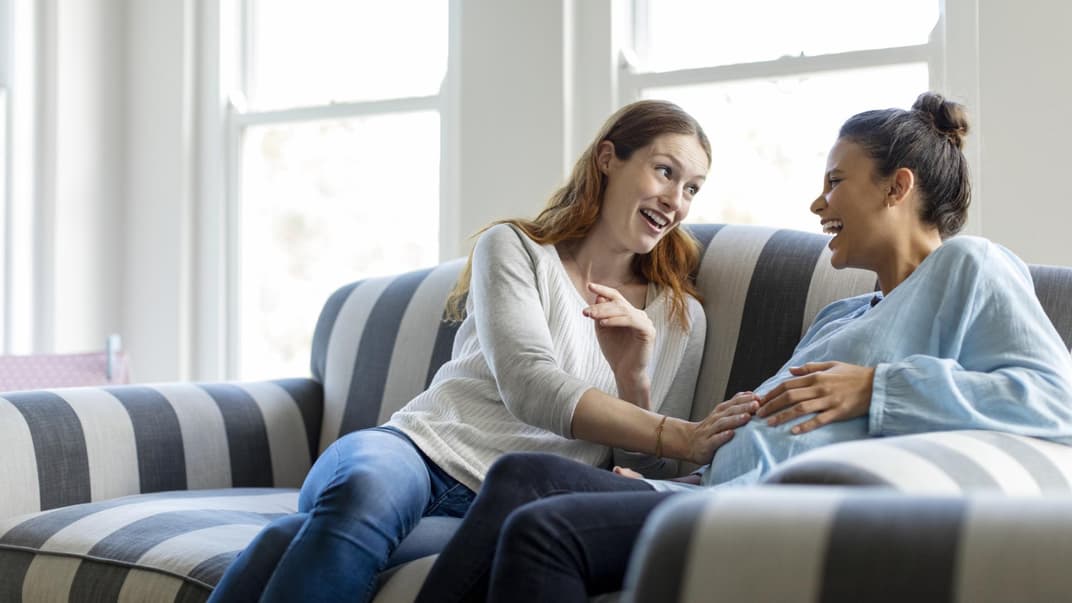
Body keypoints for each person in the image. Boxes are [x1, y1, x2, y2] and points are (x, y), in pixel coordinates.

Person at [414, 92, 1072, 603]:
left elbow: (1056, 401)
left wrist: (877, 388)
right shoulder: (842, 315)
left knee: (545, 532)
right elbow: (767, 439)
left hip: (761, 507)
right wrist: (672, 475)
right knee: (521, 476)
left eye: (836, 181)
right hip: (707, 490)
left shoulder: (969, 267)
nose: (818, 203)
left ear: (897, 187)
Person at [207, 100, 758, 603]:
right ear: (608, 159)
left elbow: (642, 475)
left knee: (284, 541)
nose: (676, 201)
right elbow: (529, 384)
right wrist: (680, 433)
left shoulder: (679, 318)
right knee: (361, 492)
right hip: (415, 453)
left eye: (692, 188)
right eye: (665, 172)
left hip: (498, 504)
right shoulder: (517, 249)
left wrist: (633, 376)